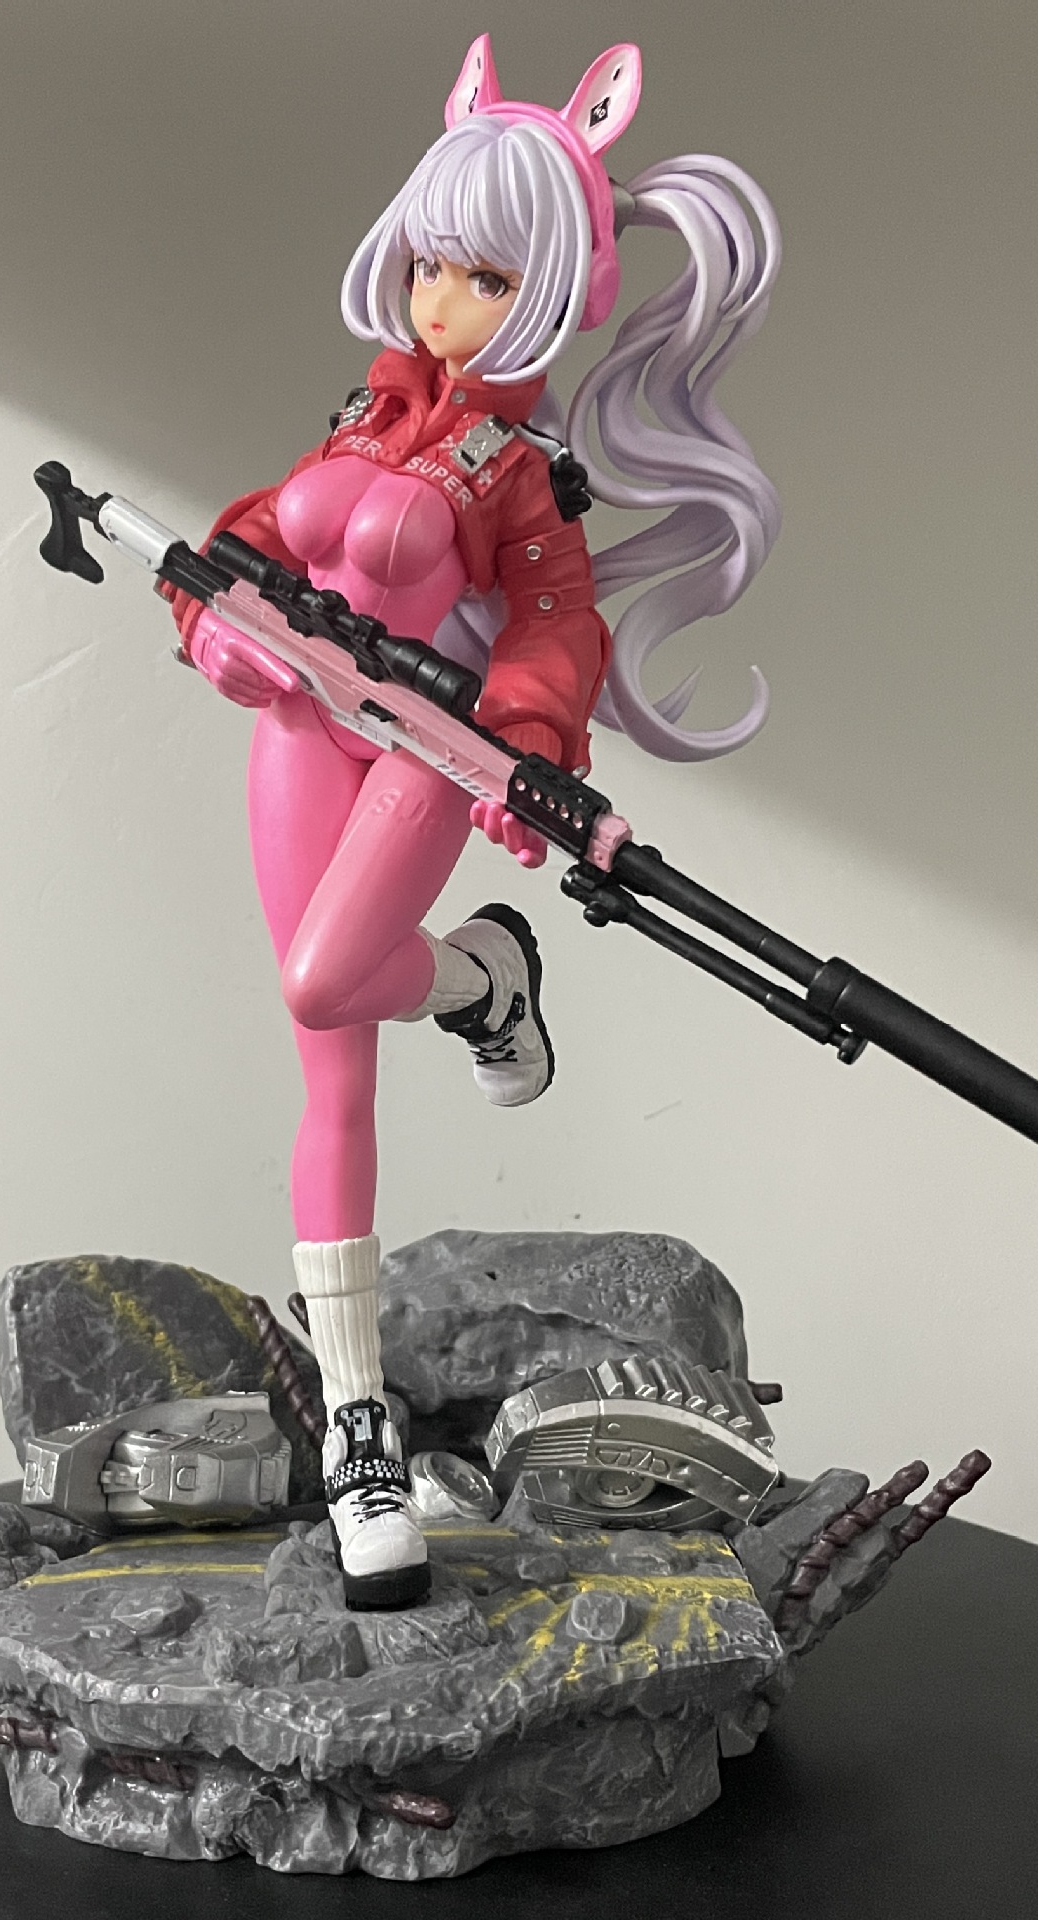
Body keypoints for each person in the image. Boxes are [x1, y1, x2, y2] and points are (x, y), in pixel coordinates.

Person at [168, 35, 783, 1610]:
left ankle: (481, 975)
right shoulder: (365, 411)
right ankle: (357, 1426)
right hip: (303, 735)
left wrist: (521, 736)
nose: (442, 300)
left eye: (486, 275)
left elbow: (556, 616)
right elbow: (268, 533)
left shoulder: (523, 470)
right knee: (324, 1059)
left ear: (556, 286)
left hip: (421, 750)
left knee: (326, 979)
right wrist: (224, 617)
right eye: (432, 263)